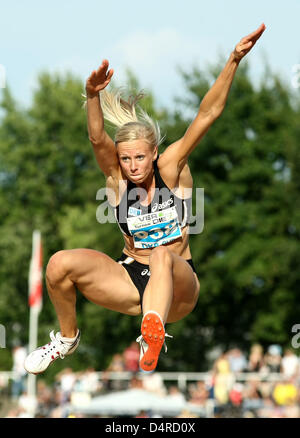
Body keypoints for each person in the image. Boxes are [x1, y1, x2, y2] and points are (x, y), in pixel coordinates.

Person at [24, 23, 266, 375]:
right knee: (60, 263)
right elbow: (97, 140)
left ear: (153, 153)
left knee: (162, 255)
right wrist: (92, 96)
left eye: (140, 157)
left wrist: (233, 60)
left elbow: (208, 114)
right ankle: (67, 338)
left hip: (178, 286)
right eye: (125, 159)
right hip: (129, 279)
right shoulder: (117, 181)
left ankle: (152, 333)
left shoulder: (172, 167)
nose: (133, 166)